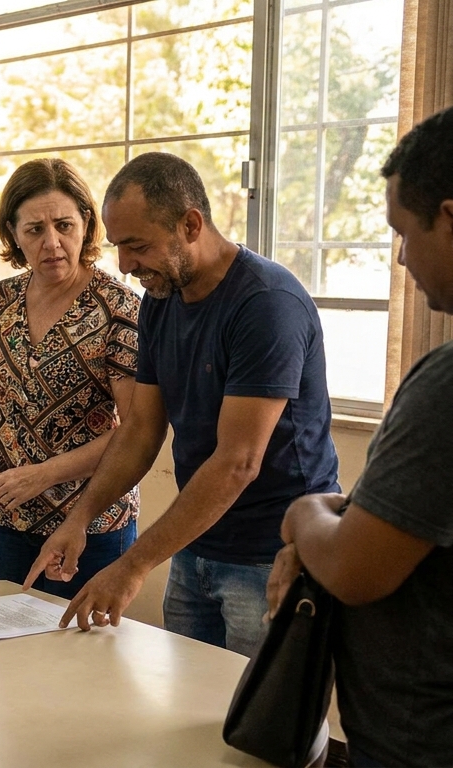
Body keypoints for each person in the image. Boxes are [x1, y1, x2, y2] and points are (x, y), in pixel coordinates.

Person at [29, 152, 340, 657]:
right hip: (196, 546)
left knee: (266, 728)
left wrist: (132, 565)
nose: (126, 266)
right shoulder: (160, 303)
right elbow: (140, 432)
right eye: (118, 247)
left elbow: (238, 462)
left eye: (137, 246)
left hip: (273, 557)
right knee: (191, 716)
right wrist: (79, 518)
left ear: (191, 224)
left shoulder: (266, 304)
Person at [267, 106, 453, 768]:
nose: (402, 258)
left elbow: (354, 568)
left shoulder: (446, 386)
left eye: (405, 232)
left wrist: (306, 514)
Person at [0, 158, 141, 598]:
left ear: (86, 222)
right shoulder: (0, 300)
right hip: (8, 518)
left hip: (91, 523)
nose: (52, 243)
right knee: (7, 653)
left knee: (79, 656)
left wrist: (43, 475)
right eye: (34, 230)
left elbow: (135, 431)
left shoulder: (118, 307)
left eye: (64, 225)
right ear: (13, 234)